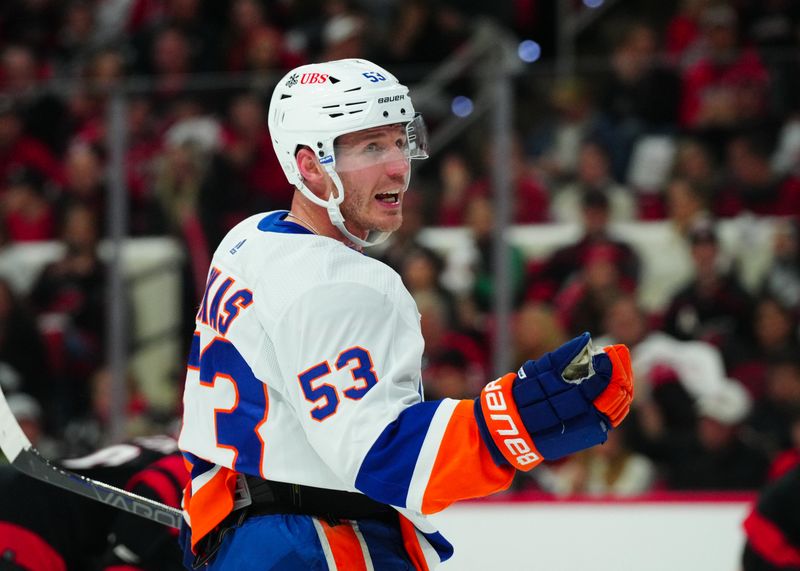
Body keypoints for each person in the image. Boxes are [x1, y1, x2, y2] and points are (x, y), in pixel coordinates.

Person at [177, 58, 635, 570]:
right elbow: (383, 456)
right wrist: (523, 417)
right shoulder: (345, 284)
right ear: (309, 165)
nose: (399, 165)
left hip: (238, 537)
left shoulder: (247, 240)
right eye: (371, 146)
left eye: (400, 140)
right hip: (317, 548)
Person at [0, 435, 188, 571]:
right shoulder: (189, 465)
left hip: (33, 495)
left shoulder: (169, 448)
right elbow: (155, 487)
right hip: (33, 518)